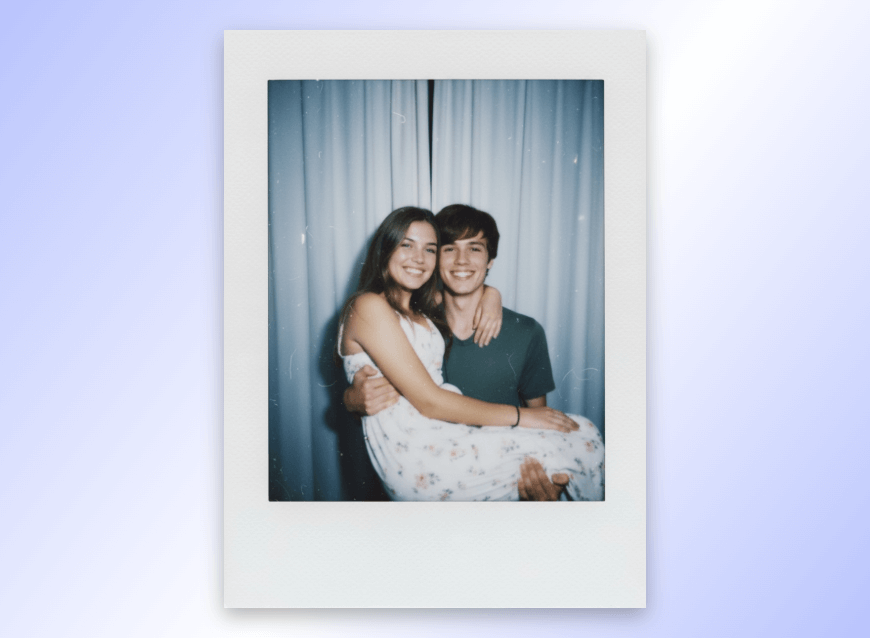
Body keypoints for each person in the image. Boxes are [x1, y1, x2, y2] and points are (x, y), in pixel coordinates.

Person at [337, 205, 604, 501]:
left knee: (582, 438)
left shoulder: (424, 314)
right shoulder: (390, 310)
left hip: (459, 448)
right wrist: (351, 400)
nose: (419, 258)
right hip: (424, 457)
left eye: (429, 249)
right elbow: (425, 400)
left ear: (490, 260)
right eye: (449, 249)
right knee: (585, 438)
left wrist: (492, 294)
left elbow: (540, 418)